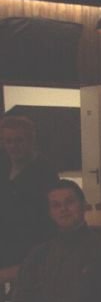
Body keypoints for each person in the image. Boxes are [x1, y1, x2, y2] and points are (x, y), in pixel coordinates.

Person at [12, 179, 101, 302]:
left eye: (70, 202)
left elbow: (94, 301)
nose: (63, 209)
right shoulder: (40, 252)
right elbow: (21, 298)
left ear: (83, 206)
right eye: (56, 205)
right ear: (50, 213)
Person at [0, 114, 58, 267]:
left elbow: (48, 215)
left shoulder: (45, 171)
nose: (13, 146)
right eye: (8, 141)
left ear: (31, 141)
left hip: (32, 247)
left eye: (19, 140)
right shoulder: (3, 165)